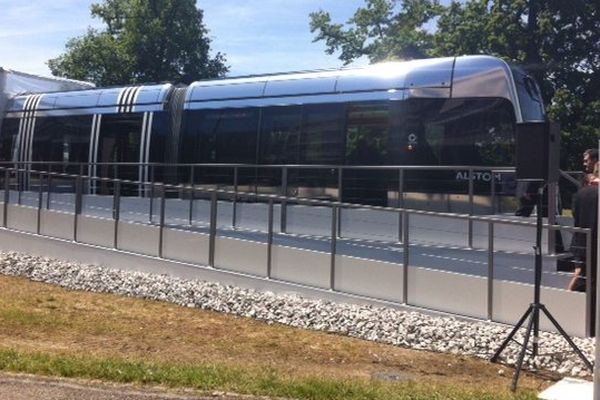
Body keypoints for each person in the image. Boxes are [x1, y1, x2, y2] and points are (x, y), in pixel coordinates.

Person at [568, 162, 598, 335]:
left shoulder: (581, 193)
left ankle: (568, 308)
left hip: (582, 241)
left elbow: (575, 215)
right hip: (596, 244)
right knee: (585, 279)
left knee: (581, 276)